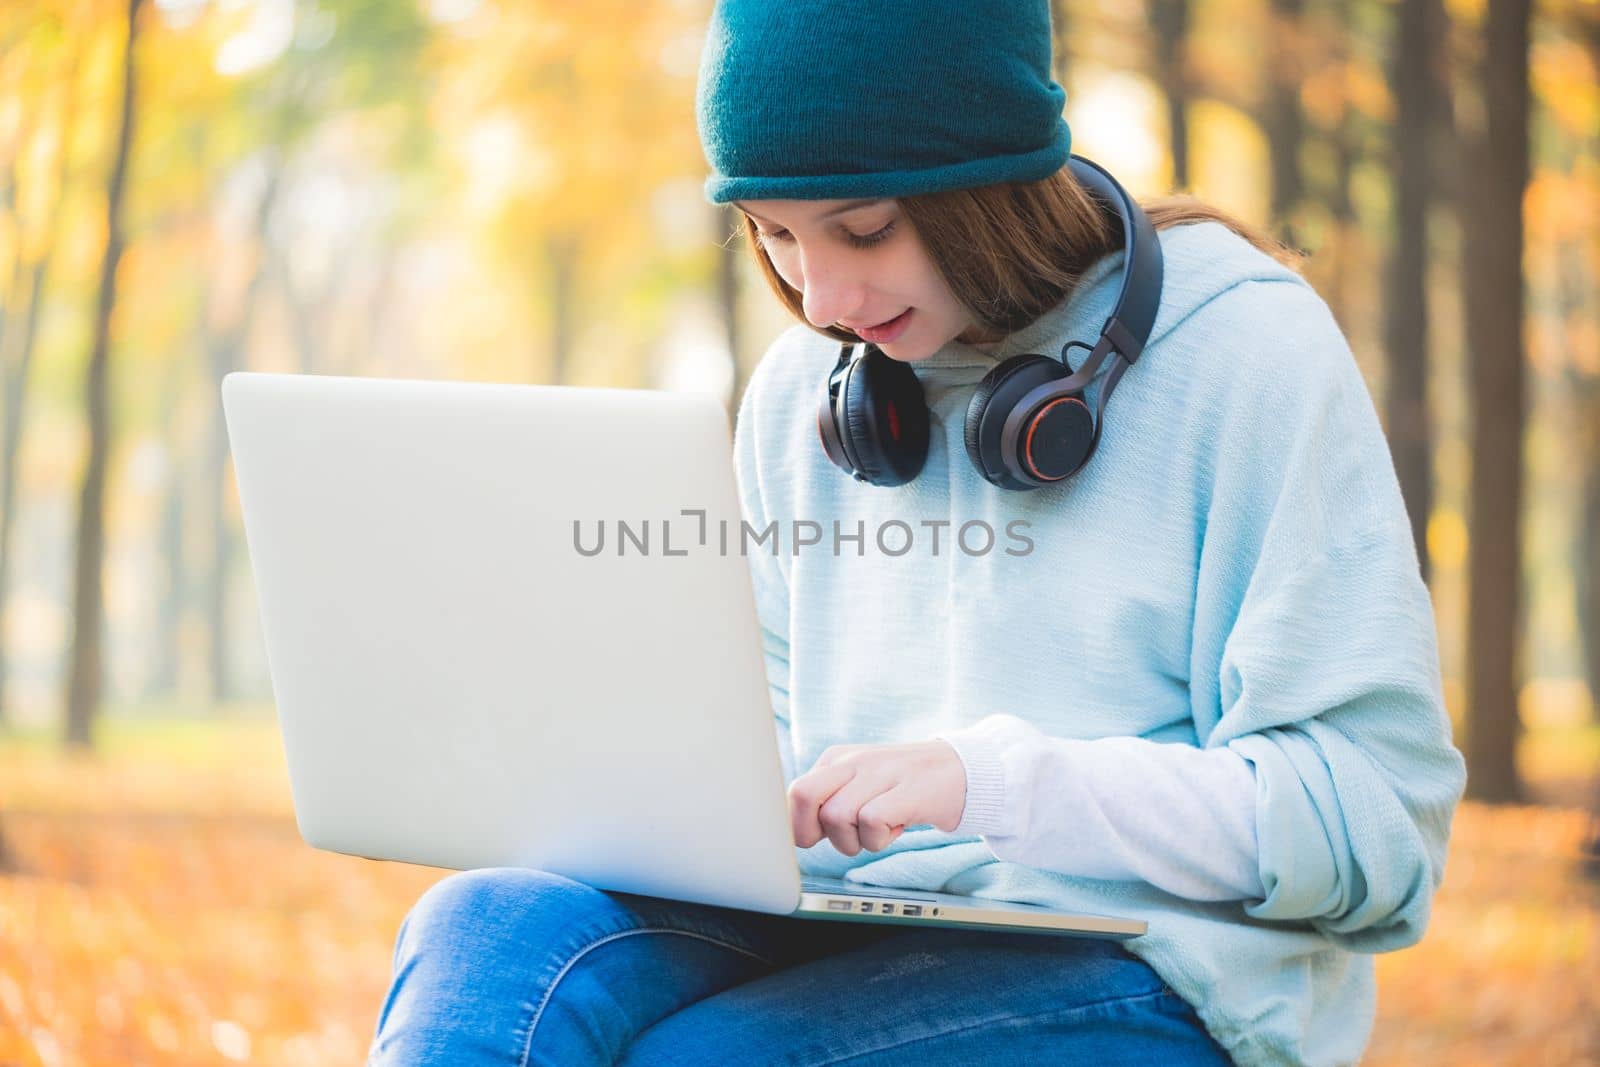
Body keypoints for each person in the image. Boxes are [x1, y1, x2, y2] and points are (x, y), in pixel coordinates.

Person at [367, 2, 1467, 1064]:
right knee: (484, 933)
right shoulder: (814, 385)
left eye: (862, 229)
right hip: (850, 917)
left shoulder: (1245, 354)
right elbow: (773, 730)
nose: (825, 296)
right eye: (774, 234)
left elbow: (1371, 824)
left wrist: (997, 783)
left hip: (1160, 964)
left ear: (989, 184)